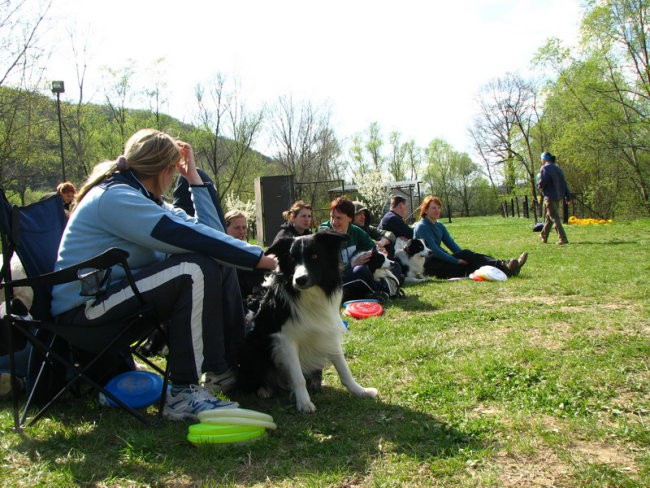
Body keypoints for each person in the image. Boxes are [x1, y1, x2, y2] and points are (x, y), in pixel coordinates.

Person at [50, 128, 278, 422]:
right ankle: (183, 394)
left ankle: (225, 367)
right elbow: (183, 236)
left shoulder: (145, 199)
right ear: (164, 170)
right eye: (175, 172)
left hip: (115, 306)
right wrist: (259, 259)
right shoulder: (116, 197)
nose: (174, 179)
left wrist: (194, 178)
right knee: (194, 267)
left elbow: (210, 234)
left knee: (215, 261)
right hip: (85, 317)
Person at [413, 195, 528, 279]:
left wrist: (465, 257)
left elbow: (453, 245)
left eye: (438, 208)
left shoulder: (439, 226)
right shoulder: (421, 227)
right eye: (433, 208)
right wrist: (456, 260)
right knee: (467, 266)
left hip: (441, 260)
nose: (437, 211)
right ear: (426, 210)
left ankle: (507, 268)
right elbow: (435, 251)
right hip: (429, 265)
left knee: (469, 260)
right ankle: (506, 267)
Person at [319, 196, 389, 302]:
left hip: (352, 278)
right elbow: (327, 270)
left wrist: (379, 251)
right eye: (332, 217)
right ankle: (380, 291)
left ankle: (372, 292)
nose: (334, 222)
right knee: (361, 271)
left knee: (392, 264)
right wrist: (352, 264)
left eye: (339, 218)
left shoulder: (356, 231)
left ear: (350, 218)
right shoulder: (325, 234)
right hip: (334, 282)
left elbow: (371, 247)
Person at [538, 152, 571, 245]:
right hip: (558, 197)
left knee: (554, 218)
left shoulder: (545, 168)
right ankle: (543, 236)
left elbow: (542, 183)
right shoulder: (558, 169)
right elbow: (564, 183)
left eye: (541, 158)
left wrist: (538, 182)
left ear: (544, 158)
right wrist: (567, 196)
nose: (541, 160)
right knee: (549, 218)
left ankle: (563, 238)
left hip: (549, 197)